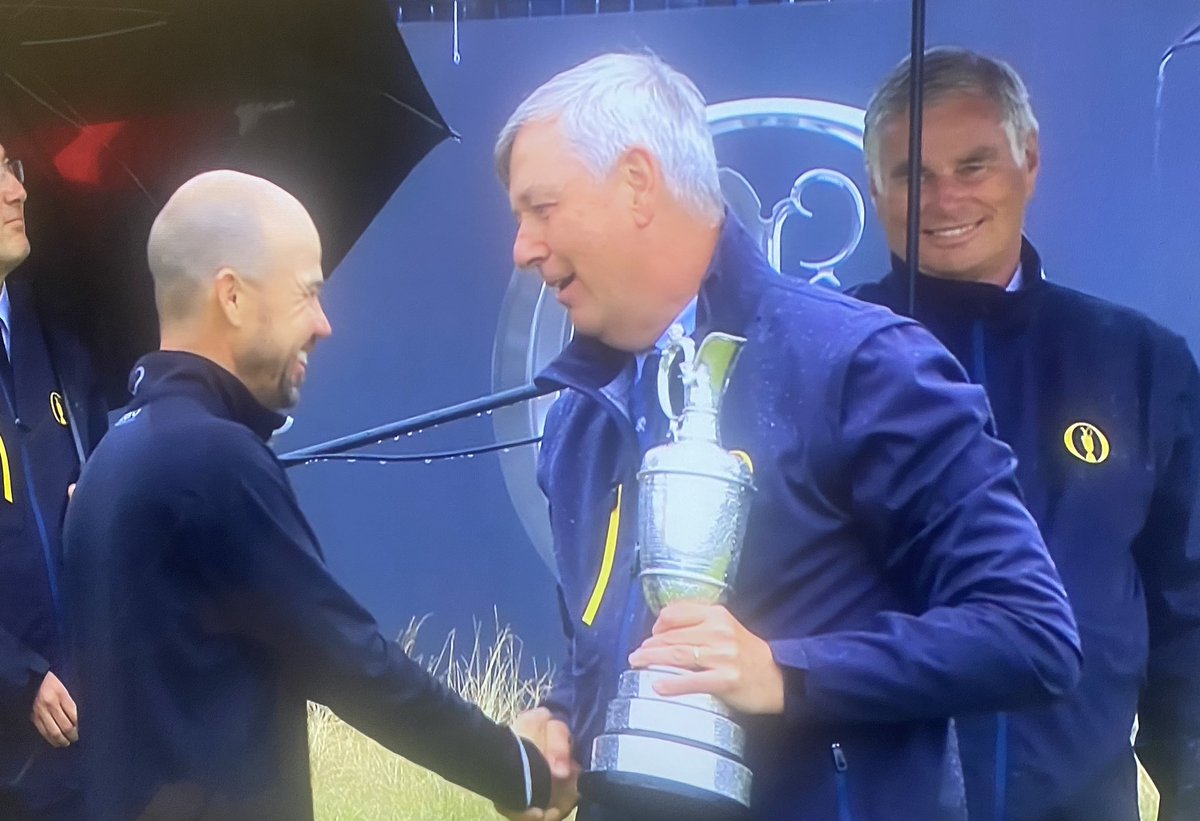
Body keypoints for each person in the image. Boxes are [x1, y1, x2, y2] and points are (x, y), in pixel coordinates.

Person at [493, 52, 1083, 821]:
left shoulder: (862, 365)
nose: (522, 247)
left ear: (638, 182)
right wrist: (562, 721)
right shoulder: (579, 413)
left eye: (541, 208)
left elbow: (1031, 633)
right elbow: (611, 652)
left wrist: (786, 673)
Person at [60, 170, 567, 821]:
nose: (324, 324)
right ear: (233, 297)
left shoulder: (117, 453)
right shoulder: (212, 458)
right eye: (308, 293)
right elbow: (350, 663)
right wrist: (520, 768)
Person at [851, 47, 1200, 821]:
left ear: (1029, 161)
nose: (944, 199)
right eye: (913, 175)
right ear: (876, 187)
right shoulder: (818, 354)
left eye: (973, 166)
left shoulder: (1142, 362)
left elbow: (1189, 614)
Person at [0, 144, 107, 820]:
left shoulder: (62, 345)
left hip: (89, 745)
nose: (18, 192)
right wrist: (19, 676)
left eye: (12, 168)